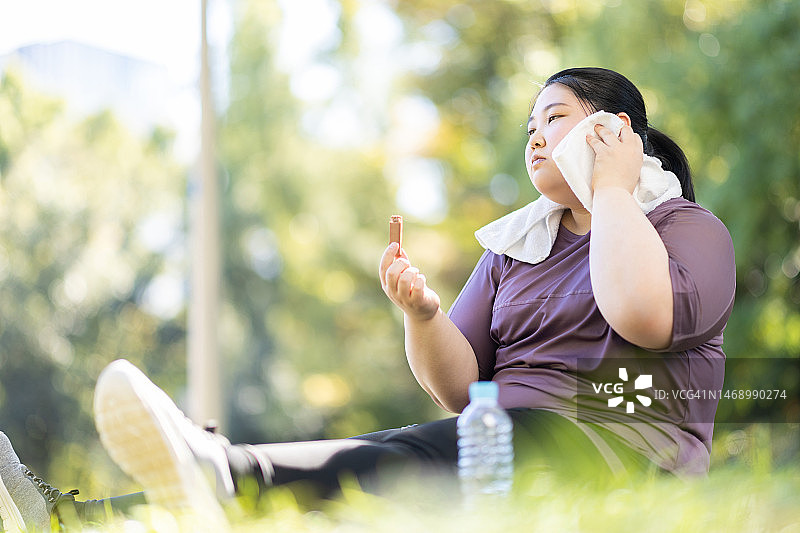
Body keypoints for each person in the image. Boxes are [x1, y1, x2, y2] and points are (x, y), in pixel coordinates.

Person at [0, 67, 735, 531]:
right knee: (381, 452)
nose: (536, 138)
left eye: (555, 117)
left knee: (404, 455)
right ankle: (74, 519)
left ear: (615, 130)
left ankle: (222, 469)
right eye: (530, 127)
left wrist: (611, 185)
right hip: (499, 438)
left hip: (614, 453)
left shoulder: (687, 230)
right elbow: (461, 388)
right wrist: (423, 315)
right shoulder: (516, 248)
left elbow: (642, 315)